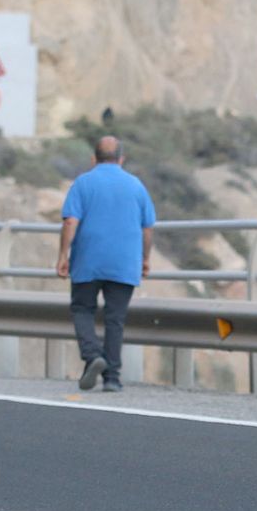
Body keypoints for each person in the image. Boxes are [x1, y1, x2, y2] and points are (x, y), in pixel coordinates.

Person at [57, 135, 156, 392]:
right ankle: (112, 378)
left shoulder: (83, 182)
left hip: (88, 260)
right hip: (124, 262)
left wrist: (63, 255)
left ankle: (92, 355)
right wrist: (145, 259)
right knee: (115, 319)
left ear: (94, 159)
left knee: (82, 309)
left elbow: (70, 221)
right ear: (122, 159)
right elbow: (147, 228)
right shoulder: (136, 185)